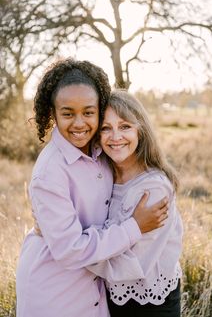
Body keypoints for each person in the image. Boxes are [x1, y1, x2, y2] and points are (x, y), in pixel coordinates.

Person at [16, 58, 169, 317]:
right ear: (53, 113)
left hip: (95, 289)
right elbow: (70, 250)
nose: (79, 123)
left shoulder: (101, 151)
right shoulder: (50, 172)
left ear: (100, 110)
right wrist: (134, 227)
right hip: (53, 290)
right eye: (67, 113)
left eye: (88, 112)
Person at [87, 90, 183, 317]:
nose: (115, 136)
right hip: (112, 299)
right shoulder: (105, 175)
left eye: (125, 126)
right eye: (105, 128)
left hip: (152, 306)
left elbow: (130, 266)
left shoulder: (153, 189)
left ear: (141, 130)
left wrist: (71, 248)